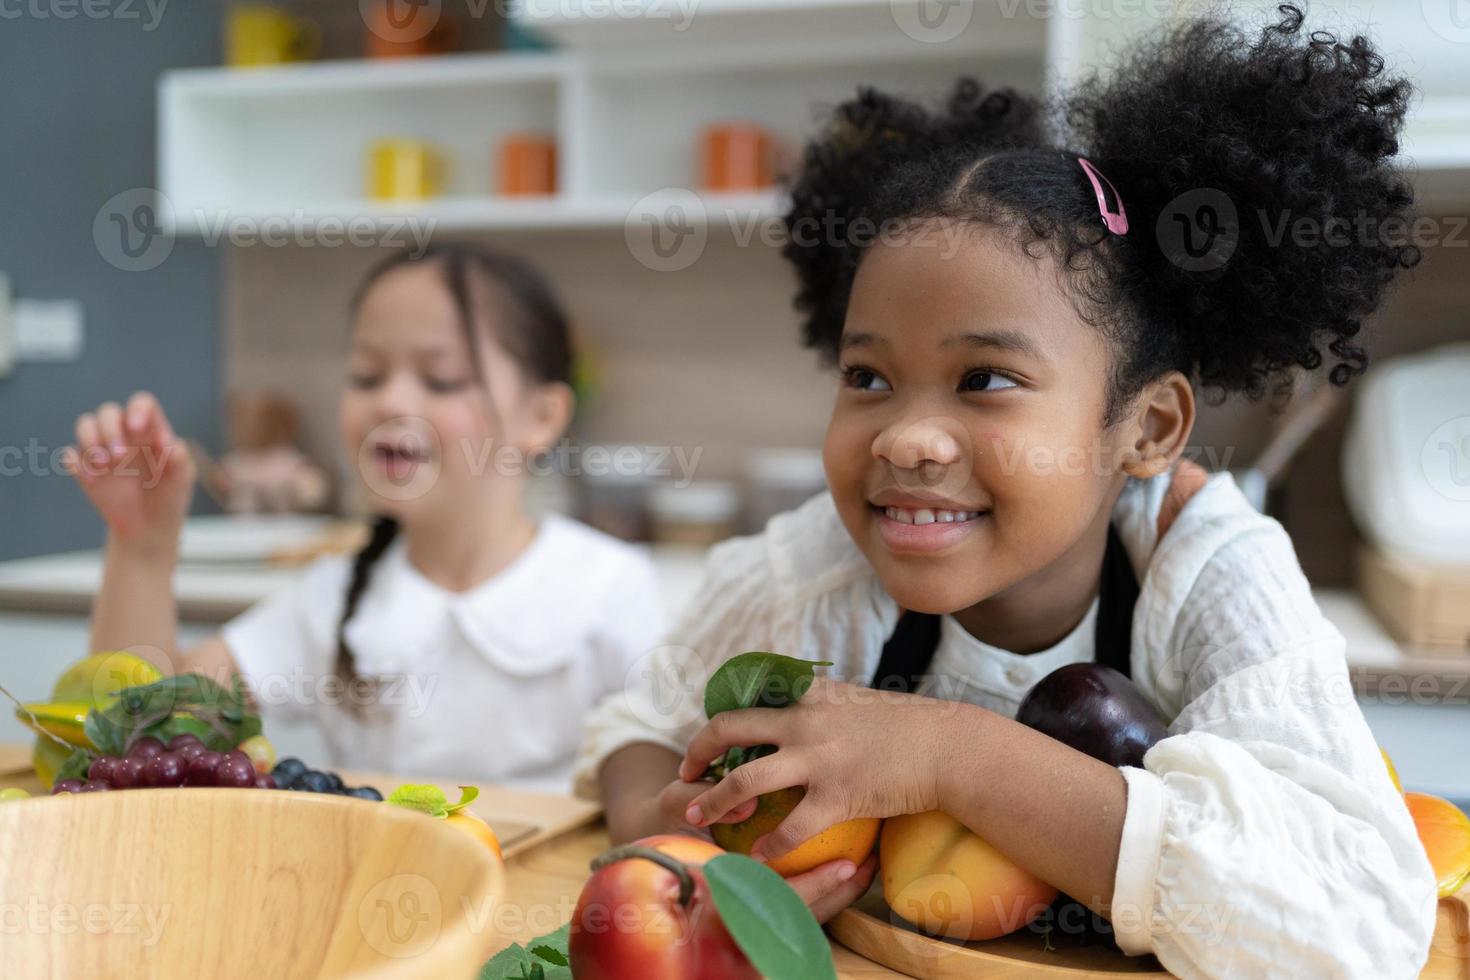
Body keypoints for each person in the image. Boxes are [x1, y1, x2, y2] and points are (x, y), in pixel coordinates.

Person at [577, 7, 1437, 975]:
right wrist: (673, 836)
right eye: (867, 377)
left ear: (1146, 427)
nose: (904, 436)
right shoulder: (815, 568)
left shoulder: (1208, 570)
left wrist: (953, 752)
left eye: (985, 378)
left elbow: (1362, 921)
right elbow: (641, 721)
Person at [69, 244, 664, 792]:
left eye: (441, 379)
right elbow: (146, 734)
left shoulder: (610, 587)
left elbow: (661, 774)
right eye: (366, 376)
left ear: (542, 416)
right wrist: (142, 548)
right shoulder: (328, 600)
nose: (391, 402)